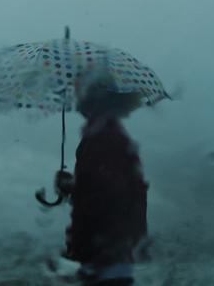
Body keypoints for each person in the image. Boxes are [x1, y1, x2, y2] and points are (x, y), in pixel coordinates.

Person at [54, 76, 149, 285]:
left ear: (97, 100)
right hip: (108, 251)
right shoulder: (106, 133)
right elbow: (100, 187)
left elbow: (106, 196)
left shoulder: (104, 137)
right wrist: (72, 186)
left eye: (84, 94)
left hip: (107, 253)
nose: (78, 100)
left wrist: (72, 188)